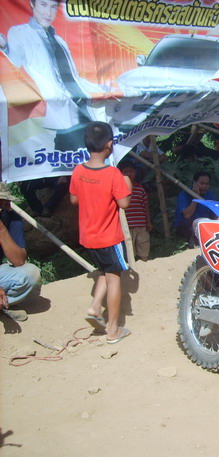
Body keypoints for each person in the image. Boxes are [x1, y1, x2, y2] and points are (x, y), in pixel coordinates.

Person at [0, 0, 103, 152]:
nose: (48, 12)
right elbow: (14, 62)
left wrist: (103, 88)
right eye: (43, 5)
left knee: (90, 151)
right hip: (54, 111)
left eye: (53, 7)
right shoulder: (20, 33)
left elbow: (73, 77)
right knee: (65, 153)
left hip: (79, 108)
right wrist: (5, 47)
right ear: (32, 4)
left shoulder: (60, 41)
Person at [69, 121, 132, 344]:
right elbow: (124, 203)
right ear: (109, 144)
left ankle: (95, 307)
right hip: (109, 237)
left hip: (88, 237)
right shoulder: (113, 174)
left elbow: (74, 200)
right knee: (114, 278)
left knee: (105, 271)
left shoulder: (78, 171)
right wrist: (128, 184)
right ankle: (113, 329)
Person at [0, 183, 41, 323]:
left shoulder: (11, 218)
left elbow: (19, 261)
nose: (7, 206)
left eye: (6, 202)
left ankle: (5, 303)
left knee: (31, 273)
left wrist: (2, 230)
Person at [119, 160, 151, 261]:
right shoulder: (119, 190)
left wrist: (148, 222)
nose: (129, 174)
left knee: (143, 245)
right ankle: (132, 264)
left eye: (131, 171)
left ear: (135, 172)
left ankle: (144, 262)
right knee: (129, 249)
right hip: (126, 226)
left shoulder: (140, 189)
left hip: (141, 224)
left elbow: (145, 206)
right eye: (125, 172)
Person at [173, 171, 215, 245]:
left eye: (207, 184)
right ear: (194, 183)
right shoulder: (184, 195)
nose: (204, 186)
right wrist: (195, 198)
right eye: (202, 183)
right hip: (186, 226)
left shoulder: (209, 194)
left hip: (204, 225)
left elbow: (214, 213)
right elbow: (187, 215)